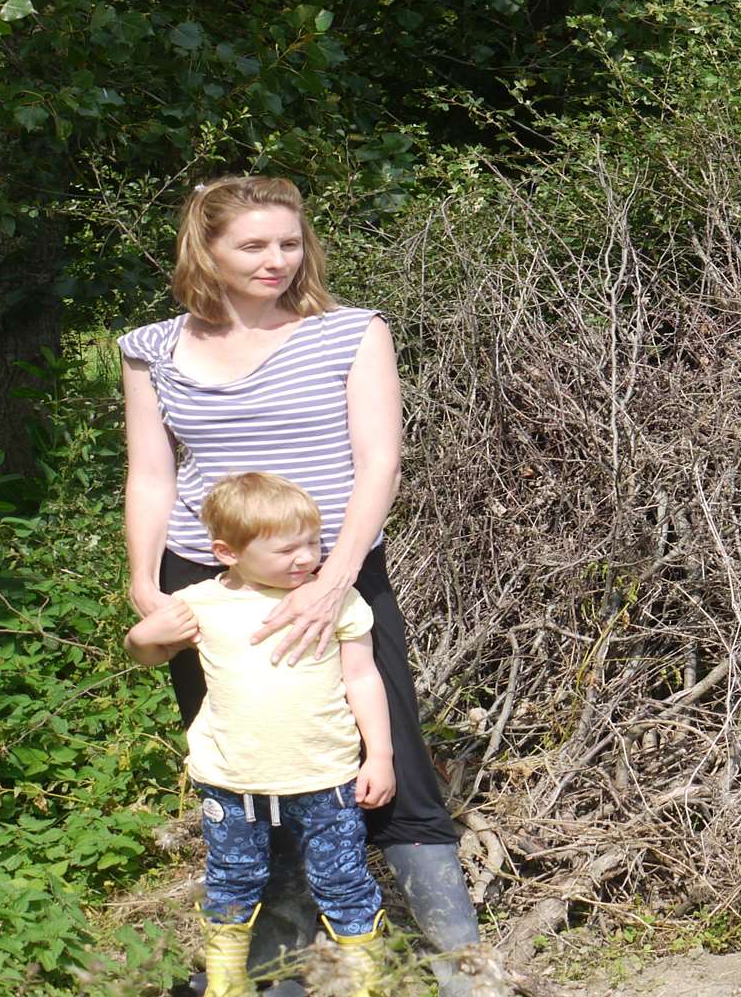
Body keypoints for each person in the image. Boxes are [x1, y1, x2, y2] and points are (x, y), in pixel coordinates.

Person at [119, 176, 480, 995]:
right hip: (206, 581)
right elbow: (150, 473)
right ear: (205, 249)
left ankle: (467, 972)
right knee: (253, 769)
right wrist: (146, 585)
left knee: (397, 772)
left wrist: (335, 578)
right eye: (253, 244)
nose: (277, 259)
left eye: (289, 242)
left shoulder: (352, 332)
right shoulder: (151, 348)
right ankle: (283, 970)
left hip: (332, 572)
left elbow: (378, 461)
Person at [127, 472, 391, 997]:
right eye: (287, 548)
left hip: (326, 778)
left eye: (314, 543)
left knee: (343, 882)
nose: (306, 558)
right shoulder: (200, 602)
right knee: (232, 881)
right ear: (228, 552)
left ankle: (369, 984)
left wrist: (379, 755)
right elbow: (148, 652)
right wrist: (141, 636)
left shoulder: (334, 600)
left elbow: (363, 676)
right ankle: (228, 984)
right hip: (231, 782)